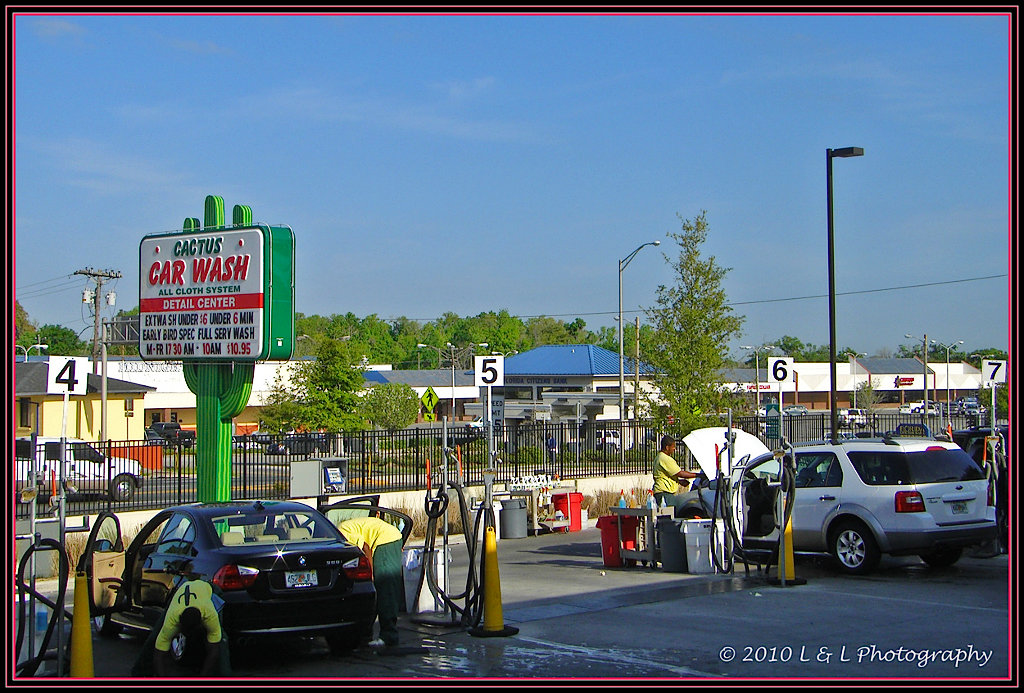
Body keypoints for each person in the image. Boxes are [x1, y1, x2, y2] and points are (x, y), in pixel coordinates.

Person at [131, 577, 230, 677]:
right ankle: (139, 673)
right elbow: (159, 655)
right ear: (179, 625)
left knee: (221, 640)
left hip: (209, 589)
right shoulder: (172, 619)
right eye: (186, 632)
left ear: (201, 623)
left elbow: (214, 651)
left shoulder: (209, 615)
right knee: (156, 637)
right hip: (180, 594)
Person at [337, 516, 404, 648]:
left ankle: (389, 636)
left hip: (384, 540)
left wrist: (370, 573)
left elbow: (365, 548)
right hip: (391, 536)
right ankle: (367, 635)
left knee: (385, 588)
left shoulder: (342, 532)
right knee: (383, 589)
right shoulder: (343, 528)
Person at [652, 435, 699, 508]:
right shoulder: (665, 459)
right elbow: (680, 473)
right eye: (673, 446)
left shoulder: (659, 457)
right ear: (667, 447)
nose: (674, 449)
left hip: (662, 492)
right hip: (665, 493)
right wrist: (698, 475)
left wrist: (679, 481)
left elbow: (666, 475)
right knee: (669, 515)